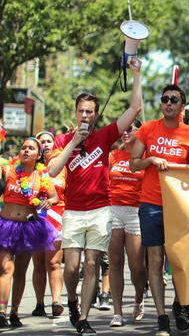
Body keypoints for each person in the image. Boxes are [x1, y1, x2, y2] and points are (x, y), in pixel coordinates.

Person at [47, 58, 143, 336]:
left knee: (92, 263)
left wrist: (135, 73)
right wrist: (75, 142)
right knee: (72, 267)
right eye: (81, 111)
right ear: (75, 113)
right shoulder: (63, 140)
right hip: (74, 212)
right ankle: (73, 300)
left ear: (96, 114)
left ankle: (85, 318)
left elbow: (134, 108)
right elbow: (53, 171)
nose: (85, 115)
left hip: (101, 210)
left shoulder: (105, 136)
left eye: (90, 111)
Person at [130, 84, 189, 336]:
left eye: (174, 100)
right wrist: (150, 160)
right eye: (165, 99)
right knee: (154, 261)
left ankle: (180, 306)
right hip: (151, 204)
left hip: (178, 206)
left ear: (182, 106)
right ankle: (162, 316)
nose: (169, 103)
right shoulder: (148, 128)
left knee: (179, 262)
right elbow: (133, 165)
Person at [0, 137, 59, 328]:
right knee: (5, 268)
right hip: (6, 225)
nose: (26, 151)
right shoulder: (8, 170)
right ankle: (1, 312)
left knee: (21, 272)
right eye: (24, 147)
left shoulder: (42, 177)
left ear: (38, 155)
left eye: (31, 148)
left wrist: (49, 202)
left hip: (28, 228)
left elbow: (54, 196)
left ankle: (14, 312)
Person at [107, 124, 146, 327]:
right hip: (113, 210)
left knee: (137, 267)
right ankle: (117, 312)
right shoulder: (113, 155)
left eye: (131, 128)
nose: (125, 131)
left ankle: (139, 298)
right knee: (115, 262)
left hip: (136, 212)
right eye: (124, 128)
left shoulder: (144, 156)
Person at [24, 130, 65, 318]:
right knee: (39, 263)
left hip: (58, 216)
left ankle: (56, 301)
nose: (47, 144)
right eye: (43, 142)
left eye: (50, 141)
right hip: (37, 216)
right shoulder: (30, 169)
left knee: (54, 262)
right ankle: (40, 304)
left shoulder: (63, 163)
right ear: (38, 149)